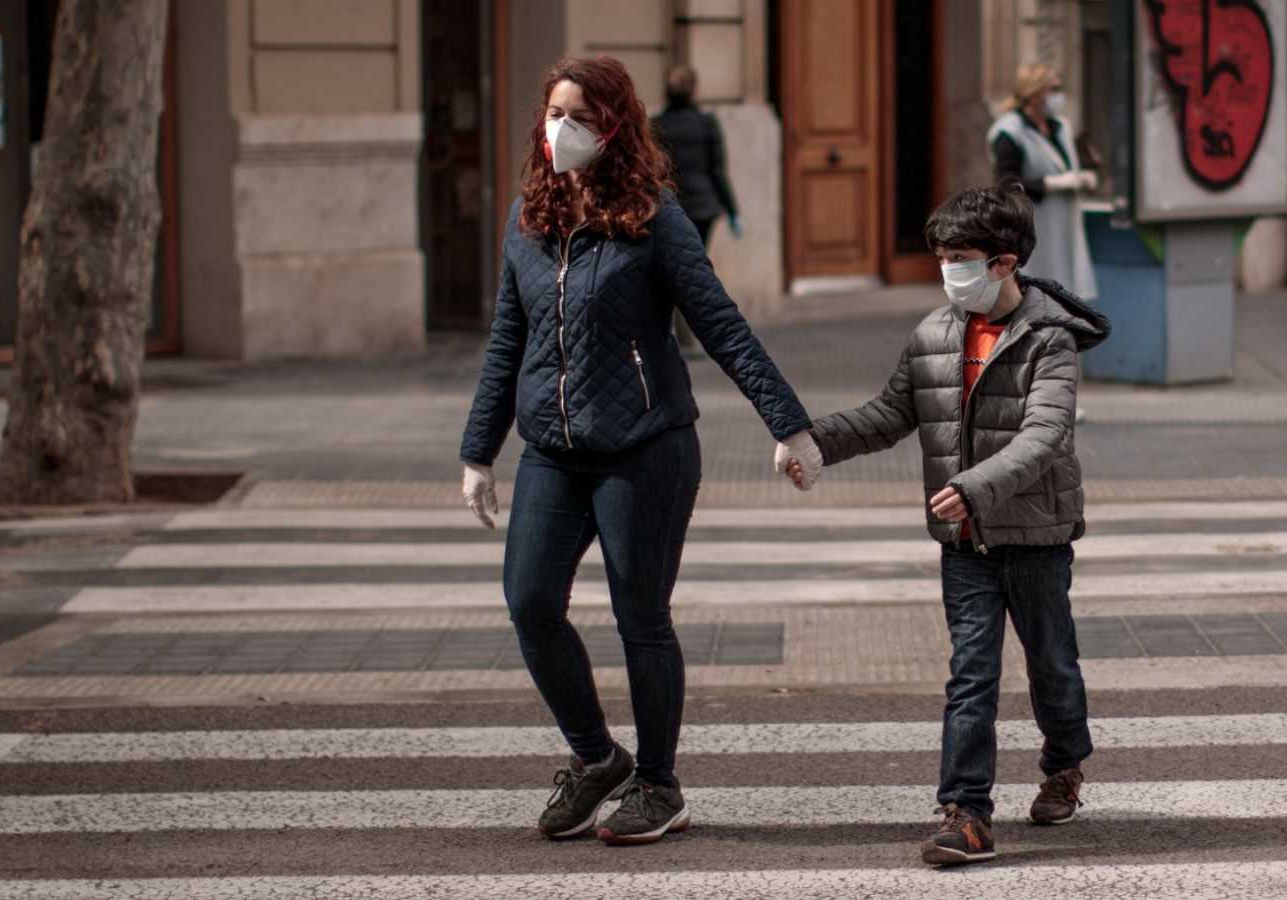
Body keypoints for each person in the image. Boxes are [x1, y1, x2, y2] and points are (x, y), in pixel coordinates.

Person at [459, 56, 819, 846]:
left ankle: (659, 784)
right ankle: (597, 761)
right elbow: (505, 345)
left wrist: (788, 424)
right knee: (528, 601)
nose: (563, 130)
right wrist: (478, 451)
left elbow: (720, 324)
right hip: (554, 451)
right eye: (554, 113)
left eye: (581, 117)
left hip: (645, 448)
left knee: (639, 619)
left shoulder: (655, 218)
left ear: (615, 128)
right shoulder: (530, 220)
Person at [779, 184, 1111, 867]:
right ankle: (966, 813)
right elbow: (887, 415)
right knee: (971, 675)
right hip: (965, 544)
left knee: (1052, 666)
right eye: (941, 257)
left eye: (961, 256)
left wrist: (972, 486)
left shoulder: (1051, 341)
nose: (947, 270)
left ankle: (1065, 763)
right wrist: (816, 443)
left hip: (1037, 536)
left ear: (1004, 261)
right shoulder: (933, 334)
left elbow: (1045, 434)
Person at [988, 63, 1097, 301]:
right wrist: (1052, 184)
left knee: (1066, 293)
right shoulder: (1009, 132)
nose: (1059, 96)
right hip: (1033, 226)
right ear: (1035, 93)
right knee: (1036, 293)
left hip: (1065, 223)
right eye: (1054, 89)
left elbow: (1066, 162)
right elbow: (1006, 184)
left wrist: (1081, 177)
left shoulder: (1060, 126)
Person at [653, 65, 740, 247]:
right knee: (697, 257)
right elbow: (718, 171)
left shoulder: (657, 125)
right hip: (702, 206)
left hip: (668, 204)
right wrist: (733, 211)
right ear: (694, 91)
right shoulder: (706, 123)